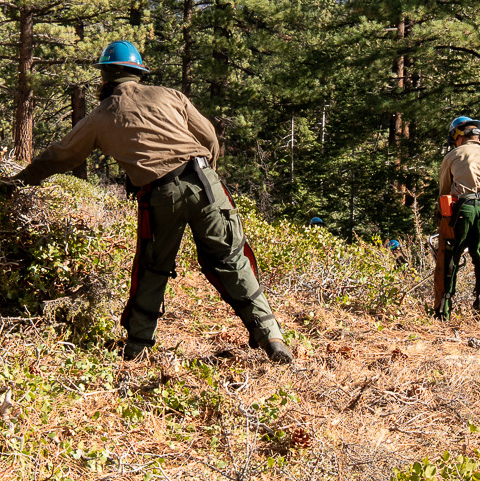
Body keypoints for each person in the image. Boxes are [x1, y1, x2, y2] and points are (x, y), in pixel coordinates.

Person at [16, 40, 292, 364]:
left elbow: (59, 156)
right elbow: (210, 139)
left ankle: (136, 350)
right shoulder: (170, 96)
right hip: (206, 181)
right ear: (138, 73)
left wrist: (20, 182)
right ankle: (272, 336)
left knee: (152, 269)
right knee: (232, 260)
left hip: (161, 194)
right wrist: (208, 177)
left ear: (105, 76)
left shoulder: (100, 116)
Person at [436, 115, 480, 319]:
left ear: (457, 136)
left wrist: (443, 223)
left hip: (461, 209)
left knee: (448, 258)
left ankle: (442, 312)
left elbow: (444, 193)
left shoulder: (453, 155)